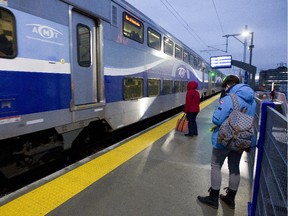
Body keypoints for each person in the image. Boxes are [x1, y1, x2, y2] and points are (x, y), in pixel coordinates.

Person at [197, 75, 256, 209]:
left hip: (225, 139)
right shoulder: (252, 101)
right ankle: (230, 199)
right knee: (234, 168)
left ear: (228, 86)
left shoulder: (229, 98)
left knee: (216, 165)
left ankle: (213, 198)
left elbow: (217, 120)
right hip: (241, 140)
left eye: (226, 87)